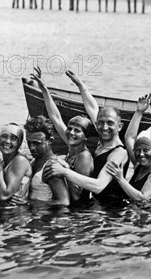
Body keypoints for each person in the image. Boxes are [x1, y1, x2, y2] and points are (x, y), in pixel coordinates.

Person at [46, 71, 129, 203]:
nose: (104, 127)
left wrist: (64, 171)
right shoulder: (99, 144)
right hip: (96, 206)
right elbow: (91, 108)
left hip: (113, 213)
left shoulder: (119, 153)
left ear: (120, 126)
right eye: (100, 123)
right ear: (96, 124)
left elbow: (99, 186)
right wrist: (80, 84)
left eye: (110, 123)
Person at [31, 67, 93, 204]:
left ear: (85, 137)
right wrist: (44, 89)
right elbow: (55, 117)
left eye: (77, 131)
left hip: (78, 212)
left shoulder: (84, 157)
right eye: (70, 128)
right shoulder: (72, 144)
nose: (71, 133)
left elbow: (77, 195)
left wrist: (64, 168)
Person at [106, 94, 151, 201]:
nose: (141, 154)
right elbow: (129, 137)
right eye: (137, 150)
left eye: (146, 150)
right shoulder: (140, 165)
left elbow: (143, 198)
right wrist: (139, 112)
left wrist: (120, 179)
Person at [24, 116, 70, 206]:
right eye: (29, 142)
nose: (32, 148)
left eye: (37, 143)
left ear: (50, 141)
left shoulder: (51, 168)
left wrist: (28, 203)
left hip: (44, 217)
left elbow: (64, 202)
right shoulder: (34, 160)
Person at [0, 123, 32, 203]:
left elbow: (4, 196)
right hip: (2, 211)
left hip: (14, 213)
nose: (7, 141)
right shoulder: (1, 161)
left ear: (20, 144)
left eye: (14, 139)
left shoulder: (20, 161)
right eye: (4, 136)